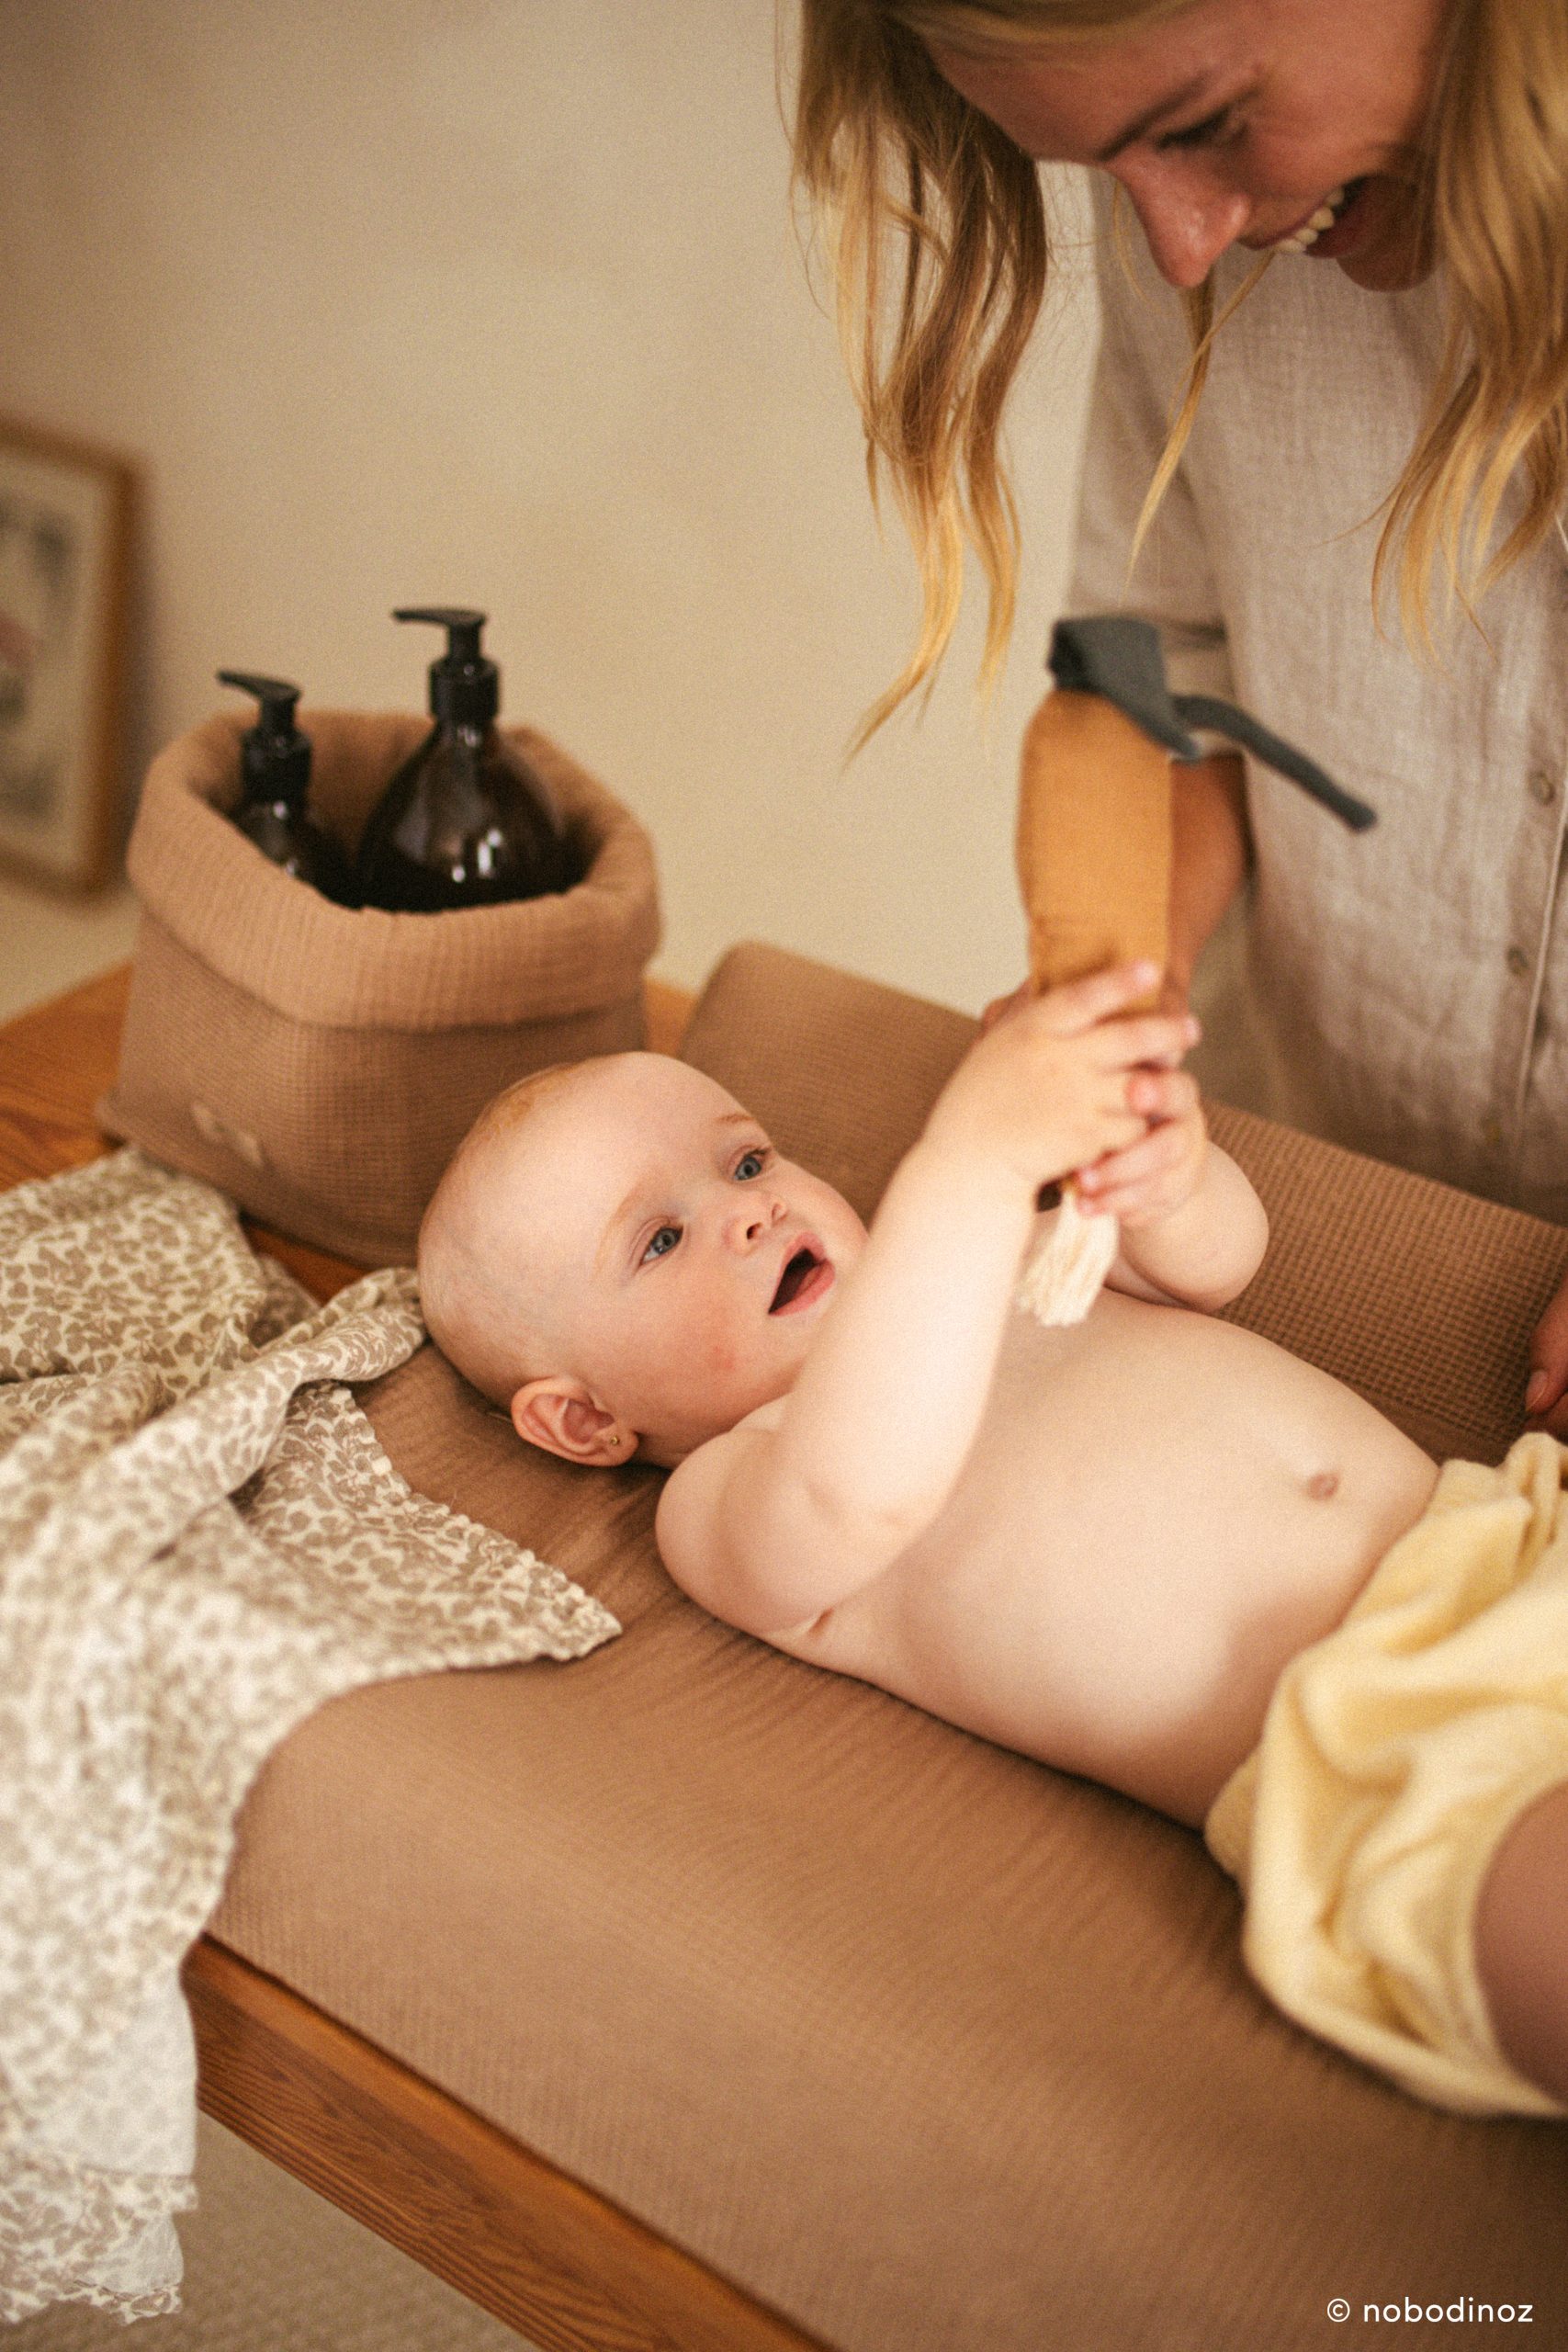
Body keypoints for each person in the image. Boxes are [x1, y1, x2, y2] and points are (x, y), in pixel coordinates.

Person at [417, 1007, 1568, 2121]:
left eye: (749, 1159)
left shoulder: (995, 1249)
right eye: (659, 1239)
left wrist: (1159, 1174)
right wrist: (962, 1171)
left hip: (1511, 1542)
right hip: (1389, 1748)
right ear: (584, 1422)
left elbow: (1220, 1263)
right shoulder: (735, 1491)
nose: (751, 1213)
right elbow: (856, 1490)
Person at [788, 1, 1568, 1427]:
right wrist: (1112, 1000)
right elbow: (1166, 691)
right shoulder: (1214, 240)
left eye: (1206, 123)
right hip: (1320, 1156)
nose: (1180, 247)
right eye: (1103, 171)